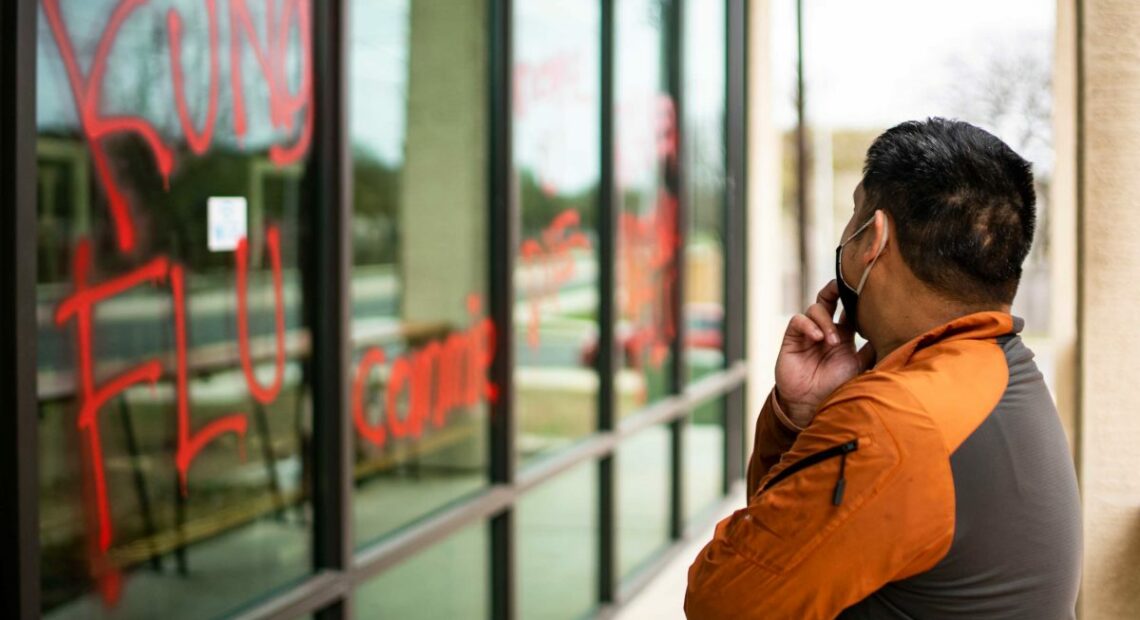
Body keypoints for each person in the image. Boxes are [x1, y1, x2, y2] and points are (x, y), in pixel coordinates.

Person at [685, 118, 1081, 619]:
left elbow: (723, 601)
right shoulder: (999, 366)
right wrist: (803, 415)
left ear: (873, 238)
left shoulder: (893, 419)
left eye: (853, 218)